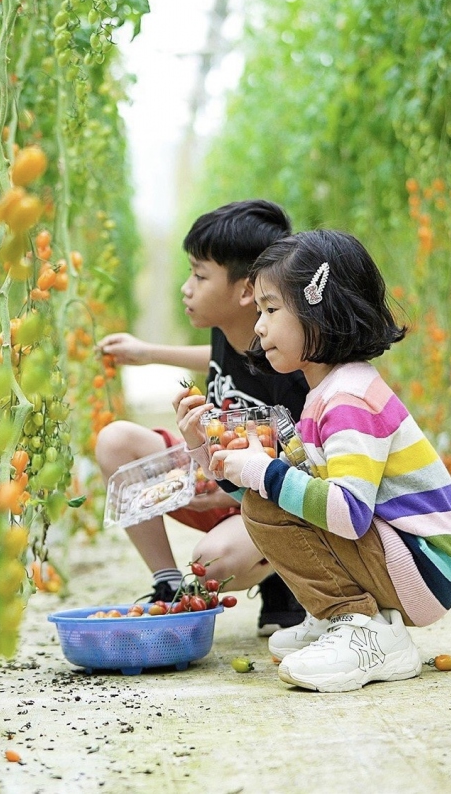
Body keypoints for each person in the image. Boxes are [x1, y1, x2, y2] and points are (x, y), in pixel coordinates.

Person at [193, 229, 451, 692]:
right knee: (268, 498)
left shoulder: (349, 400)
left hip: (422, 566)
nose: (259, 326)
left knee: (270, 497)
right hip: (404, 558)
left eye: (270, 309)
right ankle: (339, 617)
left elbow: (347, 511)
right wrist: (204, 448)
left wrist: (266, 471)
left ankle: (364, 628)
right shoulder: (327, 394)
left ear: (317, 310)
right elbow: (276, 495)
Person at [95, 200, 309, 635]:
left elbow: (308, 466)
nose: (186, 288)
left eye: (199, 275)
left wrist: (234, 493)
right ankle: (166, 584)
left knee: (211, 565)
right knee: (116, 440)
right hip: (213, 478)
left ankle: (283, 573)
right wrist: (147, 354)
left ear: (247, 290)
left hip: (270, 500)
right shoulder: (228, 326)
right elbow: (218, 355)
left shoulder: (289, 363)